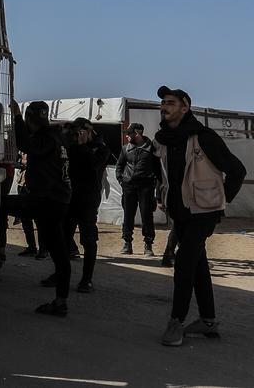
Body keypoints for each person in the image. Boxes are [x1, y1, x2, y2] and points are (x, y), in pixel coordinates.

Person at [153, 87, 246, 346]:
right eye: (162, 103)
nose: (164, 107)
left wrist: (221, 199)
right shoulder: (162, 139)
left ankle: (176, 322)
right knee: (198, 265)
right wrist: (161, 197)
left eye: (171, 102)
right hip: (180, 211)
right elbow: (161, 174)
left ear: (185, 108)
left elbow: (237, 170)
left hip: (204, 212)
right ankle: (208, 321)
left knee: (183, 262)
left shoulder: (204, 137)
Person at [8, 100, 72, 317]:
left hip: (47, 200)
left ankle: (61, 301)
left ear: (29, 120)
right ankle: (60, 297)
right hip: (54, 199)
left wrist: (16, 117)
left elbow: (25, 145)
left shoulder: (45, 138)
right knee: (56, 247)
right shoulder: (56, 136)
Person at [63, 118, 110, 293]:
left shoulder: (101, 148)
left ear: (90, 131)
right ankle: (60, 273)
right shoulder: (71, 147)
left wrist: (83, 146)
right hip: (69, 198)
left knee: (89, 240)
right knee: (63, 237)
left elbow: (94, 165)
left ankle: (86, 280)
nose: (78, 135)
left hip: (88, 200)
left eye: (82, 132)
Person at [116, 122, 160, 256]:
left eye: (129, 134)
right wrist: (122, 181)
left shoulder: (151, 149)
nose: (127, 137)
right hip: (129, 187)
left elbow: (158, 169)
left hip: (146, 187)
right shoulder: (125, 149)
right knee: (128, 215)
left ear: (137, 134)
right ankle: (127, 243)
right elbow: (119, 166)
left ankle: (148, 244)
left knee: (147, 215)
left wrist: (156, 187)